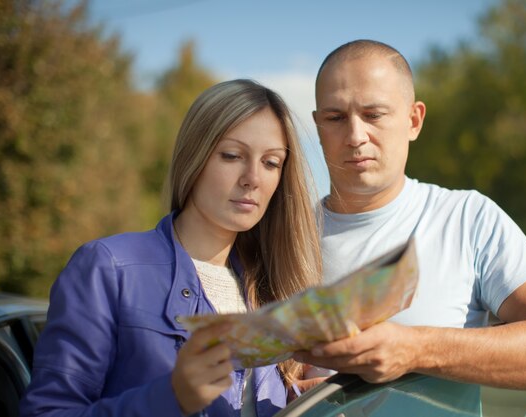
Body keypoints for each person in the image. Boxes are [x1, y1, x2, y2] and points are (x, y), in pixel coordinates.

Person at [294, 40, 526, 389]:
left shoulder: (468, 218)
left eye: (373, 115)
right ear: (317, 126)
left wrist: (416, 350)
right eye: (335, 118)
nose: (355, 135)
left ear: (413, 120)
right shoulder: (285, 237)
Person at [20, 79, 322, 417]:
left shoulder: (273, 291)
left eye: (271, 162)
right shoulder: (108, 268)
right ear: (195, 155)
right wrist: (171, 398)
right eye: (232, 155)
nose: (253, 177)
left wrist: (296, 405)